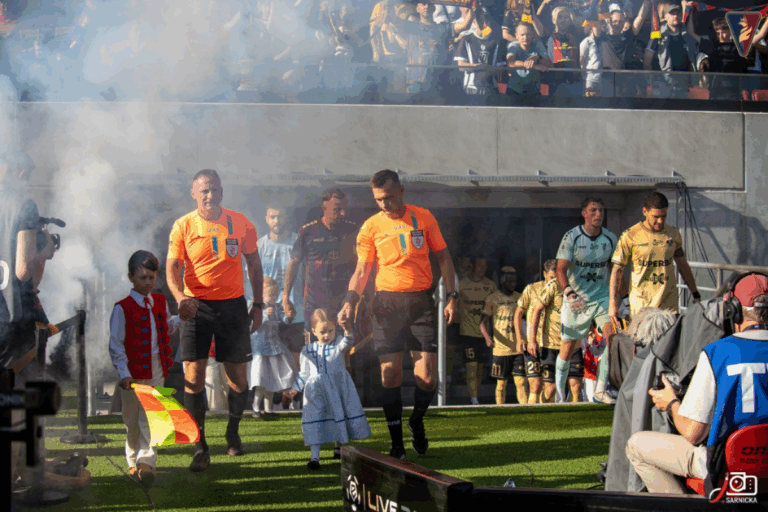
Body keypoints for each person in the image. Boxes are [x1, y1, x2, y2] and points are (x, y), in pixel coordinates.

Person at [338, 169, 458, 461]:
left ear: (402, 191)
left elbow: (443, 257)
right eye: (379, 199)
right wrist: (349, 302)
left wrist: (453, 296)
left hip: (420, 303)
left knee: (427, 377)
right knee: (389, 373)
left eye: (389, 197)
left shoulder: (424, 217)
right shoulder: (370, 227)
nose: (384, 204)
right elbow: (362, 270)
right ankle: (396, 445)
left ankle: (416, 420)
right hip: (386, 305)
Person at [625, 273, 768, 494]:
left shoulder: (717, 353)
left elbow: (693, 433)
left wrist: (671, 402)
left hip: (727, 468)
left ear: (733, 310)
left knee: (636, 445)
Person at [166, 169, 263, 472]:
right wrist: (181, 298)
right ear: (193, 193)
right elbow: (172, 268)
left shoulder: (240, 223)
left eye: (214, 190)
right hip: (196, 306)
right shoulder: (183, 225)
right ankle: (199, 444)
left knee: (239, 379)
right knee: (192, 377)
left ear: (222, 192)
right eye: (203, 191)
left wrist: (258, 303)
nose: (209, 196)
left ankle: (232, 432)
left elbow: (254, 265)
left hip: (233, 307)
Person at [109, 250, 180, 487]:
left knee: (152, 416)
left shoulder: (159, 301)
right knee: (131, 420)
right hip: (133, 371)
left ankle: (147, 462)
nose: (148, 282)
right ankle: (133, 460)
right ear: (131, 277)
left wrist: (182, 319)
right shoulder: (122, 307)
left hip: (157, 367)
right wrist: (123, 373)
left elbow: (166, 326)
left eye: (151, 277)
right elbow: (116, 346)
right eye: (142, 278)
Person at [289, 308, 371, 470]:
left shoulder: (338, 344)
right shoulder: (307, 350)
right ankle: (315, 457)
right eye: (322, 332)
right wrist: (295, 388)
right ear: (313, 331)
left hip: (336, 387)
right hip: (315, 390)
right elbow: (304, 372)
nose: (327, 335)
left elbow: (348, 341)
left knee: (337, 412)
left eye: (330, 331)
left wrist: (347, 328)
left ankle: (338, 447)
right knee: (315, 417)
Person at [555, 197, 617, 404]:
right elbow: (560, 269)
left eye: (601, 210)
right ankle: (559, 396)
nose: (598, 214)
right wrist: (569, 293)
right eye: (593, 210)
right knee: (567, 347)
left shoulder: (610, 239)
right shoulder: (571, 237)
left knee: (612, 338)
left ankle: (600, 390)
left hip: (601, 298)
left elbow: (617, 270)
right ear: (584, 213)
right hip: (576, 300)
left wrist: (621, 300)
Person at [0, 153, 56, 372]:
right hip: (12, 319)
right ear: (21, 173)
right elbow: (23, 271)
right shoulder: (24, 206)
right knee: (17, 392)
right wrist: (45, 252)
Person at [609, 191, 699, 327]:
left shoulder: (673, 234)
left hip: (669, 307)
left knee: (669, 347)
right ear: (645, 211)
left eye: (664, 216)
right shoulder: (630, 235)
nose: (660, 221)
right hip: (641, 307)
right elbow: (617, 271)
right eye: (656, 216)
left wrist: (695, 293)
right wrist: (613, 304)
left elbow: (683, 265)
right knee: (643, 347)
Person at [284, 187, 358, 346]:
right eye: (338, 210)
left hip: (343, 303)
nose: (343, 214)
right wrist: (285, 297)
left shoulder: (352, 230)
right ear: (324, 208)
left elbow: (362, 265)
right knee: (315, 350)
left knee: (344, 349)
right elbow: (294, 264)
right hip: (315, 304)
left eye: (344, 209)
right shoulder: (308, 231)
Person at [257, 201, 304, 411]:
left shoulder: (298, 242)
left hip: (297, 312)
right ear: (267, 219)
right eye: (272, 216)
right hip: (269, 316)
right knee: (271, 360)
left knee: (296, 359)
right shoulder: (259, 246)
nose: (277, 221)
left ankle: (295, 401)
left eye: (281, 216)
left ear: (287, 218)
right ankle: (273, 403)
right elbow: (253, 281)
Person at [527, 267, 584, 402]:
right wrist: (532, 339)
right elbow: (536, 310)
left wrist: (591, 329)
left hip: (573, 343)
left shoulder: (582, 284)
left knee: (575, 387)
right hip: (552, 343)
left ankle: (574, 420)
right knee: (551, 389)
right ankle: (541, 407)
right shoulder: (553, 285)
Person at [248, 277, 297, 420]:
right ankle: (256, 408)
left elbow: (284, 319)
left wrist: (289, 316)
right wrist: (264, 316)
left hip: (274, 347)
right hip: (260, 350)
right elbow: (251, 327)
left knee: (272, 380)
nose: (273, 298)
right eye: (270, 295)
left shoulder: (277, 307)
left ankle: (268, 409)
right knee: (260, 381)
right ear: (262, 294)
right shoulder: (256, 308)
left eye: (275, 295)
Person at [514, 259, 557, 404]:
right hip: (532, 343)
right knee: (535, 385)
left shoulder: (560, 290)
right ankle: (530, 416)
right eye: (552, 278)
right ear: (544, 274)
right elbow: (518, 313)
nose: (554, 281)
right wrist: (520, 338)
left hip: (550, 344)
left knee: (550, 388)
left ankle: (545, 411)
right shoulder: (532, 289)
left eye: (557, 278)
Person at [481, 266, 523, 404]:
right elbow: (482, 322)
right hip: (500, 349)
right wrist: (487, 337)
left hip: (518, 348)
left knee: (521, 382)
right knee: (501, 384)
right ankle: (500, 409)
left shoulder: (520, 297)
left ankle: (526, 409)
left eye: (514, 281)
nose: (512, 284)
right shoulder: (493, 298)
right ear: (502, 280)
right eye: (509, 281)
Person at [459, 254, 497, 405]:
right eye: (479, 265)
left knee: (480, 368)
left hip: (484, 334)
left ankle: (476, 394)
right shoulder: (462, 284)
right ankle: (474, 399)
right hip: (467, 332)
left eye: (484, 266)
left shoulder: (490, 285)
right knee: (472, 367)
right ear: (473, 266)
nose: (482, 269)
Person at [643, 3, 703, 98]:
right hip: (662, 84)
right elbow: (647, 59)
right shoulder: (657, 35)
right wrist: (650, 81)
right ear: (665, 17)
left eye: (678, 13)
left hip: (682, 84)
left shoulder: (687, 36)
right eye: (672, 13)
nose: (675, 16)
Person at [506, 22, 552, 99]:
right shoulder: (513, 46)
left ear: (533, 35)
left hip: (534, 92)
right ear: (516, 36)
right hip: (514, 91)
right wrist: (533, 65)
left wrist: (538, 58)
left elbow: (549, 63)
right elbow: (511, 62)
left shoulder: (538, 45)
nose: (525, 37)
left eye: (528, 34)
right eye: (522, 35)